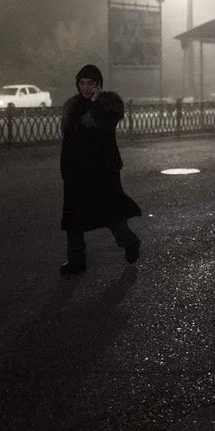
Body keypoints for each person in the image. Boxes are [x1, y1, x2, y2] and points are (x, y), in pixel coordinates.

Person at [59, 64, 142, 275]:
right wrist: (65, 168)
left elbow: (105, 127)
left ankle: (130, 241)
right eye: (82, 83)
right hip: (76, 170)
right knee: (73, 216)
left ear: (98, 85)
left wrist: (95, 102)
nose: (85, 87)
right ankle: (76, 260)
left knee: (110, 213)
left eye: (90, 83)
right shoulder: (72, 106)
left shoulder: (108, 105)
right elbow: (68, 142)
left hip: (102, 170)